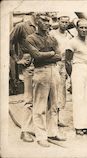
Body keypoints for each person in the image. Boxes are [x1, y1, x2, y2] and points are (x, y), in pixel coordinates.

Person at [25, 13, 66, 147]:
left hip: (54, 70)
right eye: (44, 20)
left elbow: (59, 56)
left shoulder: (52, 38)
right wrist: (51, 53)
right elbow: (36, 56)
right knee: (39, 106)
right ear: (37, 22)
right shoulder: (30, 38)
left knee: (54, 105)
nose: (47, 23)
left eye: (48, 21)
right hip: (41, 72)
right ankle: (41, 136)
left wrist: (46, 55)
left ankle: (52, 132)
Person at [9, 12, 36, 142]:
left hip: (43, 64)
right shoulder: (22, 26)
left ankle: (36, 128)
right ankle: (25, 130)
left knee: (41, 98)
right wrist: (16, 59)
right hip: (29, 64)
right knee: (29, 99)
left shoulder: (45, 26)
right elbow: (8, 41)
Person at [66, 19, 87, 135]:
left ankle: (86, 124)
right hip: (78, 69)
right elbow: (68, 61)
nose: (84, 30)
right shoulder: (72, 42)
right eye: (81, 27)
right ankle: (78, 126)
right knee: (78, 98)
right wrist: (71, 77)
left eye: (85, 28)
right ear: (77, 28)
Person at [50, 14, 72, 127]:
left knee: (61, 92)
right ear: (58, 21)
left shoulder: (69, 36)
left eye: (66, 22)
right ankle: (50, 119)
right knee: (52, 90)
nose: (64, 24)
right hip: (53, 64)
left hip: (63, 65)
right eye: (62, 22)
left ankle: (57, 119)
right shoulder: (52, 34)